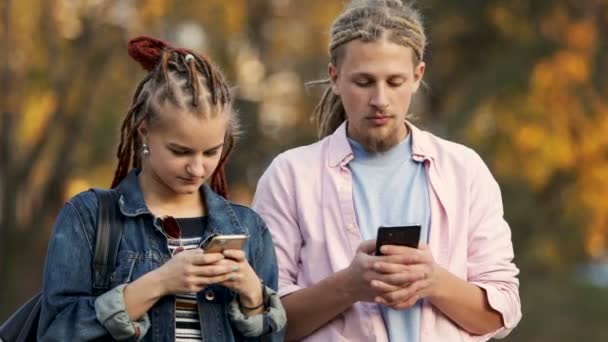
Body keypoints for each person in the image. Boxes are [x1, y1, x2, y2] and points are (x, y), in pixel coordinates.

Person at [252, 0, 521, 341]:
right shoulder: (289, 176)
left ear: (417, 76)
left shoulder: (464, 170)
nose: (380, 98)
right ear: (335, 77)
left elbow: (501, 312)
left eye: (395, 82)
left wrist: (433, 280)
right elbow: (262, 323)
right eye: (364, 82)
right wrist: (348, 286)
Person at [37, 36, 286, 341]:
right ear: (145, 131)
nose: (197, 168)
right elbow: (55, 332)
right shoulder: (89, 217)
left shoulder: (249, 227)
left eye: (211, 152)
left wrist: (253, 297)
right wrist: (159, 283)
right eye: (180, 152)